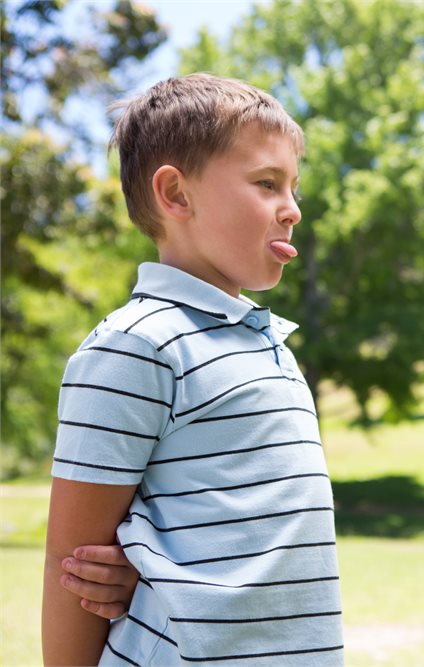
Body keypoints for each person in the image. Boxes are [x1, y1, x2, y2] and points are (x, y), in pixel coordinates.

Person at [42, 73, 344, 666]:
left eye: (294, 188)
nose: (293, 211)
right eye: (267, 184)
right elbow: (72, 565)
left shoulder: (267, 343)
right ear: (177, 196)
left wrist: (153, 575)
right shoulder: (134, 346)